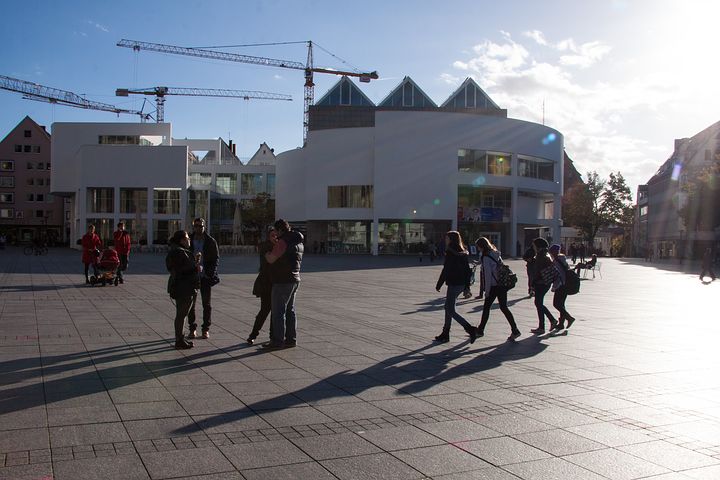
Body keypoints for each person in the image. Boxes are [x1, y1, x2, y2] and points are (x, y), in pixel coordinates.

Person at [262, 219, 304, 350]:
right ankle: (291, 339)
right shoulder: (297, 242)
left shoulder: (282, 242)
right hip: (295, 279)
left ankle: (277, 341)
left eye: (276, 230)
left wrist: (267, 252)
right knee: (290, 310)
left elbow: (271, 259)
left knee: (278, 312)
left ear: (280, 230)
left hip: (282, 280)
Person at [434, 231, 477, 344]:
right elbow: (467, 271)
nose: (446, 240)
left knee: (449, 309)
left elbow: (446, 269)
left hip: (454, 283)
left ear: (451, 239)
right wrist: (467, 286)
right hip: (461, 283)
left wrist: (439, 283)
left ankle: (469, 328)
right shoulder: (462, 251)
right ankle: (445, 333)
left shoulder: (450, 252)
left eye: (447, 238)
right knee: (448, 307)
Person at [475, 237, 521, 342]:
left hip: (494, 286)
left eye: (478, 246)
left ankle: (480, 330)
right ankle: (515, 330)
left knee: (486, 308)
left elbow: (487, 275)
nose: (477, 248)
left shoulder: (486, 257)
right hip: (502, 284)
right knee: (504, 307)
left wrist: (486, 291)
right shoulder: (496, 254)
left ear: (481, 246)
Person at [165, 230, 199, 350]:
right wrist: (196, 267)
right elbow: (183, 270)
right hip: (184, 287)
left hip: (180, 285)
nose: (189, 240)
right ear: (181, 240)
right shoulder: (179, 252)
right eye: (187, 238)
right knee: (181, 314)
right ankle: (179, 340)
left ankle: (180, 338)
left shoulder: (175, 251)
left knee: (182, 314)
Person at [187, 218, 219, 340]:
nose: (198, 228)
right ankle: (192, 328)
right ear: (193, 227)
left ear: (204, 227)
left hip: (205, 276)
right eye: (196, 226)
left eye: (200, 226)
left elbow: (216, 258)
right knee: (191, 304)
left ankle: (205, 329)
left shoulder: (210, 241)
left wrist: (211, 272)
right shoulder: (189, 240)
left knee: (207, 304)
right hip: (192, 276)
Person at [247, 227, 277, 344]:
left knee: (275, 311)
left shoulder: (278, 246)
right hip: (266, 283)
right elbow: (269, 261)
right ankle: (253, 334)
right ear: (268, 237)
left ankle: (272, 335)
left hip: (276, 283)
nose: (275, 238)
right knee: (265, 310)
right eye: (272, 236)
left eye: (276, 235)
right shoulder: (265, 246)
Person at [530, 238, 558, 334]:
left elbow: (538, 271)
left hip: (541, 282)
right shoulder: (547, 254)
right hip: (546, 282)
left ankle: (543, 326)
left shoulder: (540, 256)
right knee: (539, 303)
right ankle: (551, 321)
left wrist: (533, 283)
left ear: (538, 246)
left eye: (534, 245)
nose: (533, 247)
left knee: (538, 303)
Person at [549, 244, 576, 331]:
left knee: (556, 304)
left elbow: (559, 275)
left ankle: (569, 318)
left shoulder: (556, 261)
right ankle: (561, 324)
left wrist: (554, 286)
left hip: (561, 286)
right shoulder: (563, 259)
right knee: (561, 304)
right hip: (566, 284)